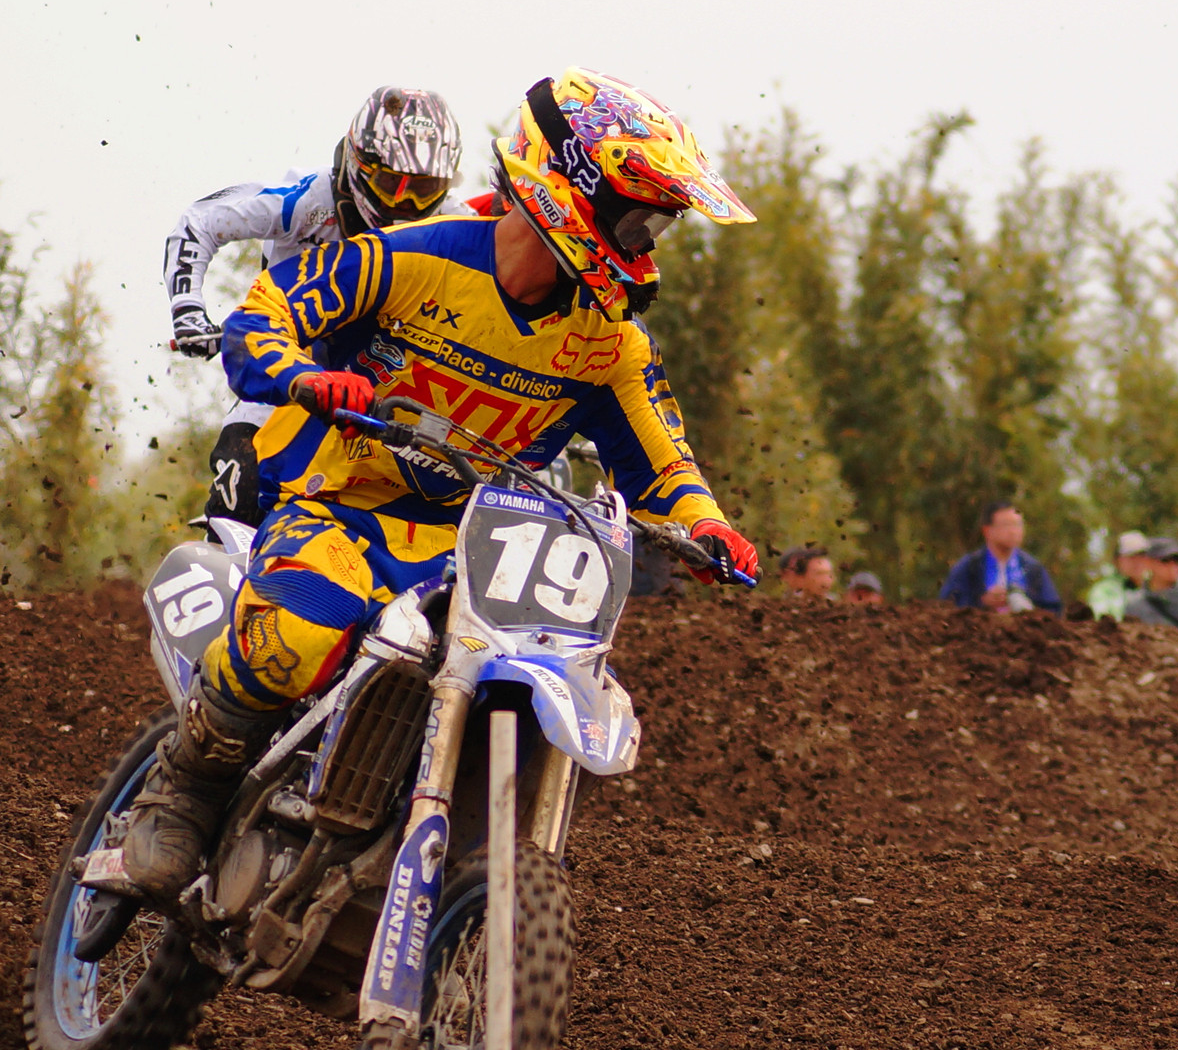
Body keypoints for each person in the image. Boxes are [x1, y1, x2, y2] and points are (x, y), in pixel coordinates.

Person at [118, 69, 761, 904]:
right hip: (339, 505)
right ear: (568, 189)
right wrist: (305, 377)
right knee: (300, 633)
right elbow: (264, 318)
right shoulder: (412, 257)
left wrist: (707, 526)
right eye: (636, 219)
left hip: (475, 547)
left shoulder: (611, 342)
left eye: (655, 225)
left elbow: (663, 462)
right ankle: (186, 786)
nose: (646, 243)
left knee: (526, 669)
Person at [165, 87, 472, 527]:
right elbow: (200, 221)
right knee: (239, 494)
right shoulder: (306, 200)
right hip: (289, 381)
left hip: (385, 397)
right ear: (358, 163)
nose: (405, 205)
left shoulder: (458, 223)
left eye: (424, 189)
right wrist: (188, 310)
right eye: (391, 183)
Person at [940, 501, 1062, 615]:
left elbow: (1053, 609)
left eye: (1018, 525)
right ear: (987, 530)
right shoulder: (969, 566)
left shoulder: (1033, 568)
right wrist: (981, 603)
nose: (1013, 531)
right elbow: (947, 606)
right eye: (1006, 525)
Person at [1086, 530, 1150, 620]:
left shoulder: (1157, 586)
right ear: (1117, 560)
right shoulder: (1104, 591)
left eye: (1141, 555)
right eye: (1131, 556)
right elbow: (1101, 621)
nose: (1137, 561)